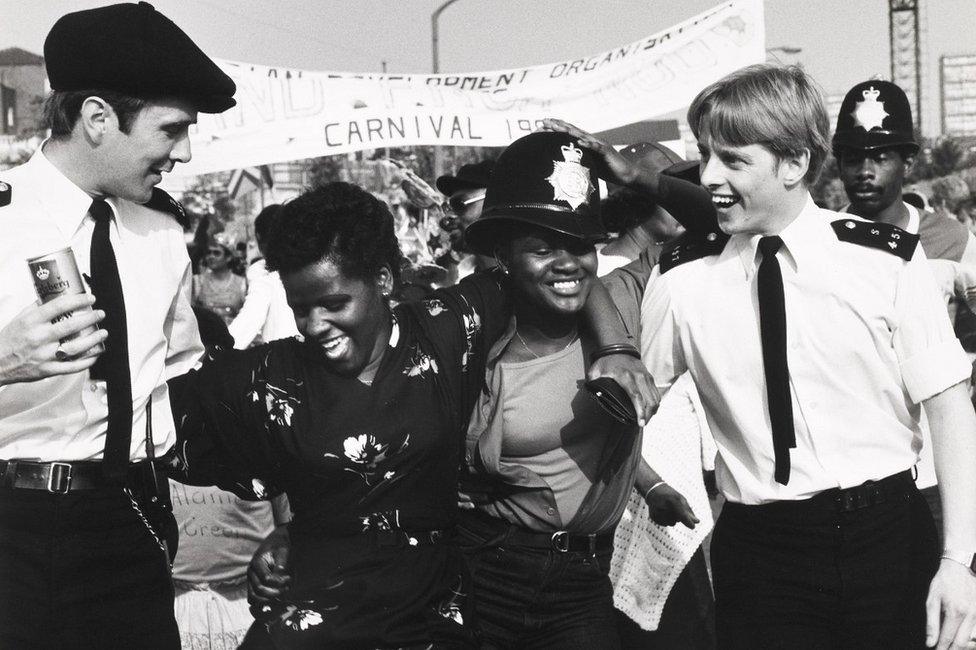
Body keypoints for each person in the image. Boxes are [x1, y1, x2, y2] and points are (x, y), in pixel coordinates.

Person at [171, 180, 654, 648]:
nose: (315, 325)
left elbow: (564, 269)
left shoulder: (448, 332)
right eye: (301, 309)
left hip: (431, 623)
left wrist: (617, 349)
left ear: (383, 278)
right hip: (314, 623)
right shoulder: (271, 378)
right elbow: (144, 424)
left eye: (334, 303)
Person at [634, 63, 976, 649]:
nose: (709, 176)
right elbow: (636, 402)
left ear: (794, 164)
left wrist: (958, 563)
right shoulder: (681, 279)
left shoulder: (886, 261)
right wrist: (646, 480)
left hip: (889, 539)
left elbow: (950, 411)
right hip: (764, 556)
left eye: (733, 160)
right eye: (707, 156)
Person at [0, 3, 235, 648]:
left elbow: (185, 374)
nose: (183, 153)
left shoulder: (160, 232)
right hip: (11, 524)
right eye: (171, 129)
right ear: (98, 117)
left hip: (132, 517)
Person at [452, 131, 663, 649]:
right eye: (544, 247)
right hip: (489, 573)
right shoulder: (470, 343)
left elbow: (719, 222)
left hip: (584, 580)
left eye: (580, 246)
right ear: (503, 254)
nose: (568, 264)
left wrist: (637, 177)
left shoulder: (617, 314)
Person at [833, 79, 976, 552]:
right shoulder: (825, 242)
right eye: (854, 158)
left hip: (939, 463)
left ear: (907, 162)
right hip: (855, 467)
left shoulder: (951, 238)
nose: (866, 171)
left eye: (881, 157)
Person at [229, 204, 300, 348]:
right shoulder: (311, 265)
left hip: (284, 360)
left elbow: (248, 322)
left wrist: (215, 353)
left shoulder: (264, 273)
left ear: (259, 238)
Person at [436, 159, 496, 279]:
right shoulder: (467, 277)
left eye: (459, 205)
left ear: (493, 202)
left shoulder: (529, 283)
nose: (447, 219)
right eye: (447, 207)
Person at [194, 232, 248, 325]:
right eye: (208, 253)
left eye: (216, 253)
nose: (211, 257)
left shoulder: (242, 283)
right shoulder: (198, 281)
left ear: (228, 257)